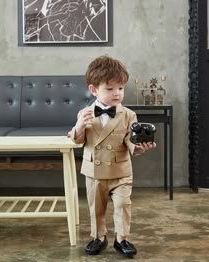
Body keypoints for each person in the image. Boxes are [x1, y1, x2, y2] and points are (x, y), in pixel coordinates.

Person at [69, 55, 156, 258]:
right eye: (110, 89)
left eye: (120, 88)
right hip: (94, 171)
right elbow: (77, 140)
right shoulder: (85, 113)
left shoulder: (128, 115)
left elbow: (130, 140)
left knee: (123, 205)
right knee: (96, 207)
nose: (117, 94)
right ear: (94, 89)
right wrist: (79, 125)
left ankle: (122, 239)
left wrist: (140, 146)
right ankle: (99, 237)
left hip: (121, 170)